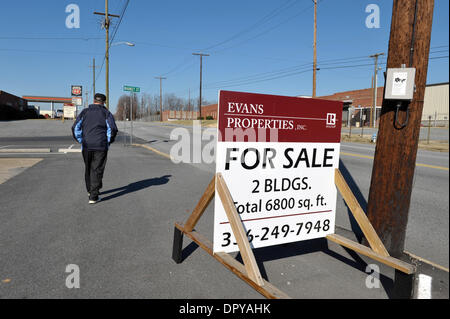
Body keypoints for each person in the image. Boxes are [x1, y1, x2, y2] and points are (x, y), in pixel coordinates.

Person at [72, 93, 118, 204]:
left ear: (94, 100)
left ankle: (90, 190)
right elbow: (112, 129)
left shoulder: (84, 112)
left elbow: (75, 127)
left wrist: (81, 140)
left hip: (86, 145)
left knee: (88, 168)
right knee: (97, 169)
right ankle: (93, 196)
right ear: (104, 102)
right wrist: (107, 142)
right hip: (100, 146)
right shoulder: (106, 113)